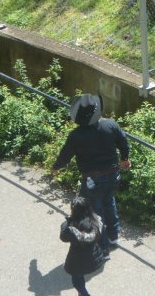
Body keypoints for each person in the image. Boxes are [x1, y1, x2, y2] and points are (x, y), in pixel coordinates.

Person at [49, 93, 130, 250]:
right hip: (113, 175)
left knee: (95, 212)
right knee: (110, 202)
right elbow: (123, 143)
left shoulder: (75, 136)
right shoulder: (110, 125)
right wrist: (124, 158)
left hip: (92, 180)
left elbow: (65, 155)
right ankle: (114, 237)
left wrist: (56, 167)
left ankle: (102, 246)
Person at [60, 194, 106, 296]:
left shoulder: (74, 225)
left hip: (77, 258)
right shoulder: (95, 220)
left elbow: (63, 237)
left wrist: (67, 222)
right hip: (93, 256)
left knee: (76, 280)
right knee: (80, 277)